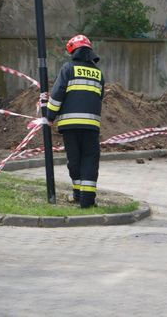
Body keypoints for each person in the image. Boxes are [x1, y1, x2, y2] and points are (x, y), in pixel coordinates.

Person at [46, 34, 105, 209]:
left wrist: (49, 116)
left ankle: (78, 195)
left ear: (73, 51)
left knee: (74, 160)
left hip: (69, 125)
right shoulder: (98, 73)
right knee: (90, 159)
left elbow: (57, 95)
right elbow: (100, 96)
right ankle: (87, 200)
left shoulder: (68, 68)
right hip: (91, 126)